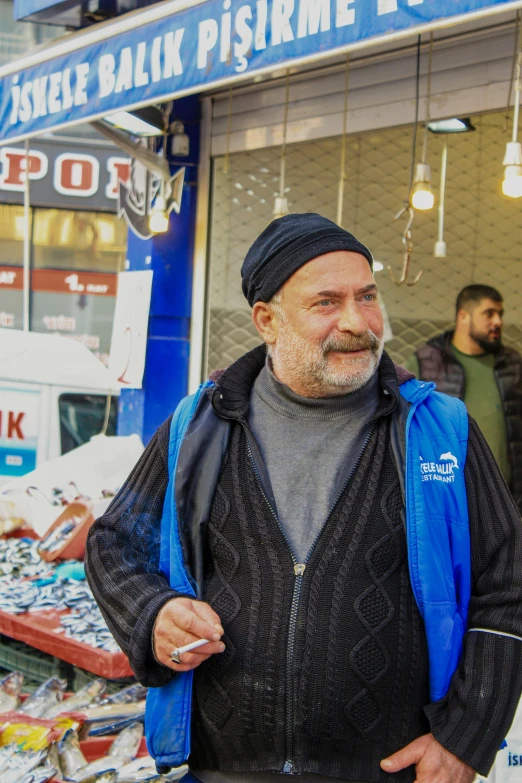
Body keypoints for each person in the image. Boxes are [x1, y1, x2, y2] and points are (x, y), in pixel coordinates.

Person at [86, 214, 522, 783]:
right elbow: (115, 543)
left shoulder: (440, 430)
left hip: (389, 771)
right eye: (326, 303)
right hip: (223, 770)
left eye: (367, 297)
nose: (357, 323)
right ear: (267, 320)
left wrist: (465, 739)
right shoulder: (199, 425)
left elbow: (507, 587)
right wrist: (153, 613)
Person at [404, 284, 522, 513]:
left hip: (505, 499)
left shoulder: (514, 365)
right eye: (489, 313)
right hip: (445, 496)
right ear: (463, 316)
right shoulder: (426, 362)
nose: (497, 321)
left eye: (500, 314)